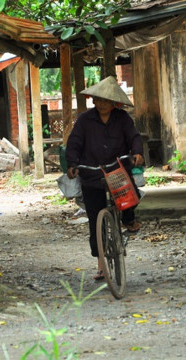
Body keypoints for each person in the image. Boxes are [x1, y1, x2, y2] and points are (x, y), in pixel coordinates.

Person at [65, 76, 144, 281]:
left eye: (106, 101)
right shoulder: (84, 120)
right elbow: (74, 143)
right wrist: (72, 164)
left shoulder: (123, 119)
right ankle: (101, 265)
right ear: (93, 100)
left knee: (130, 198)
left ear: (114, 103)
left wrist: (137, 152)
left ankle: (128, 220)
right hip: (92, 174)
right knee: (95, 222)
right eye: (99, 100)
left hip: (117, 171)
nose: (102, 104)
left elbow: (134, 137)